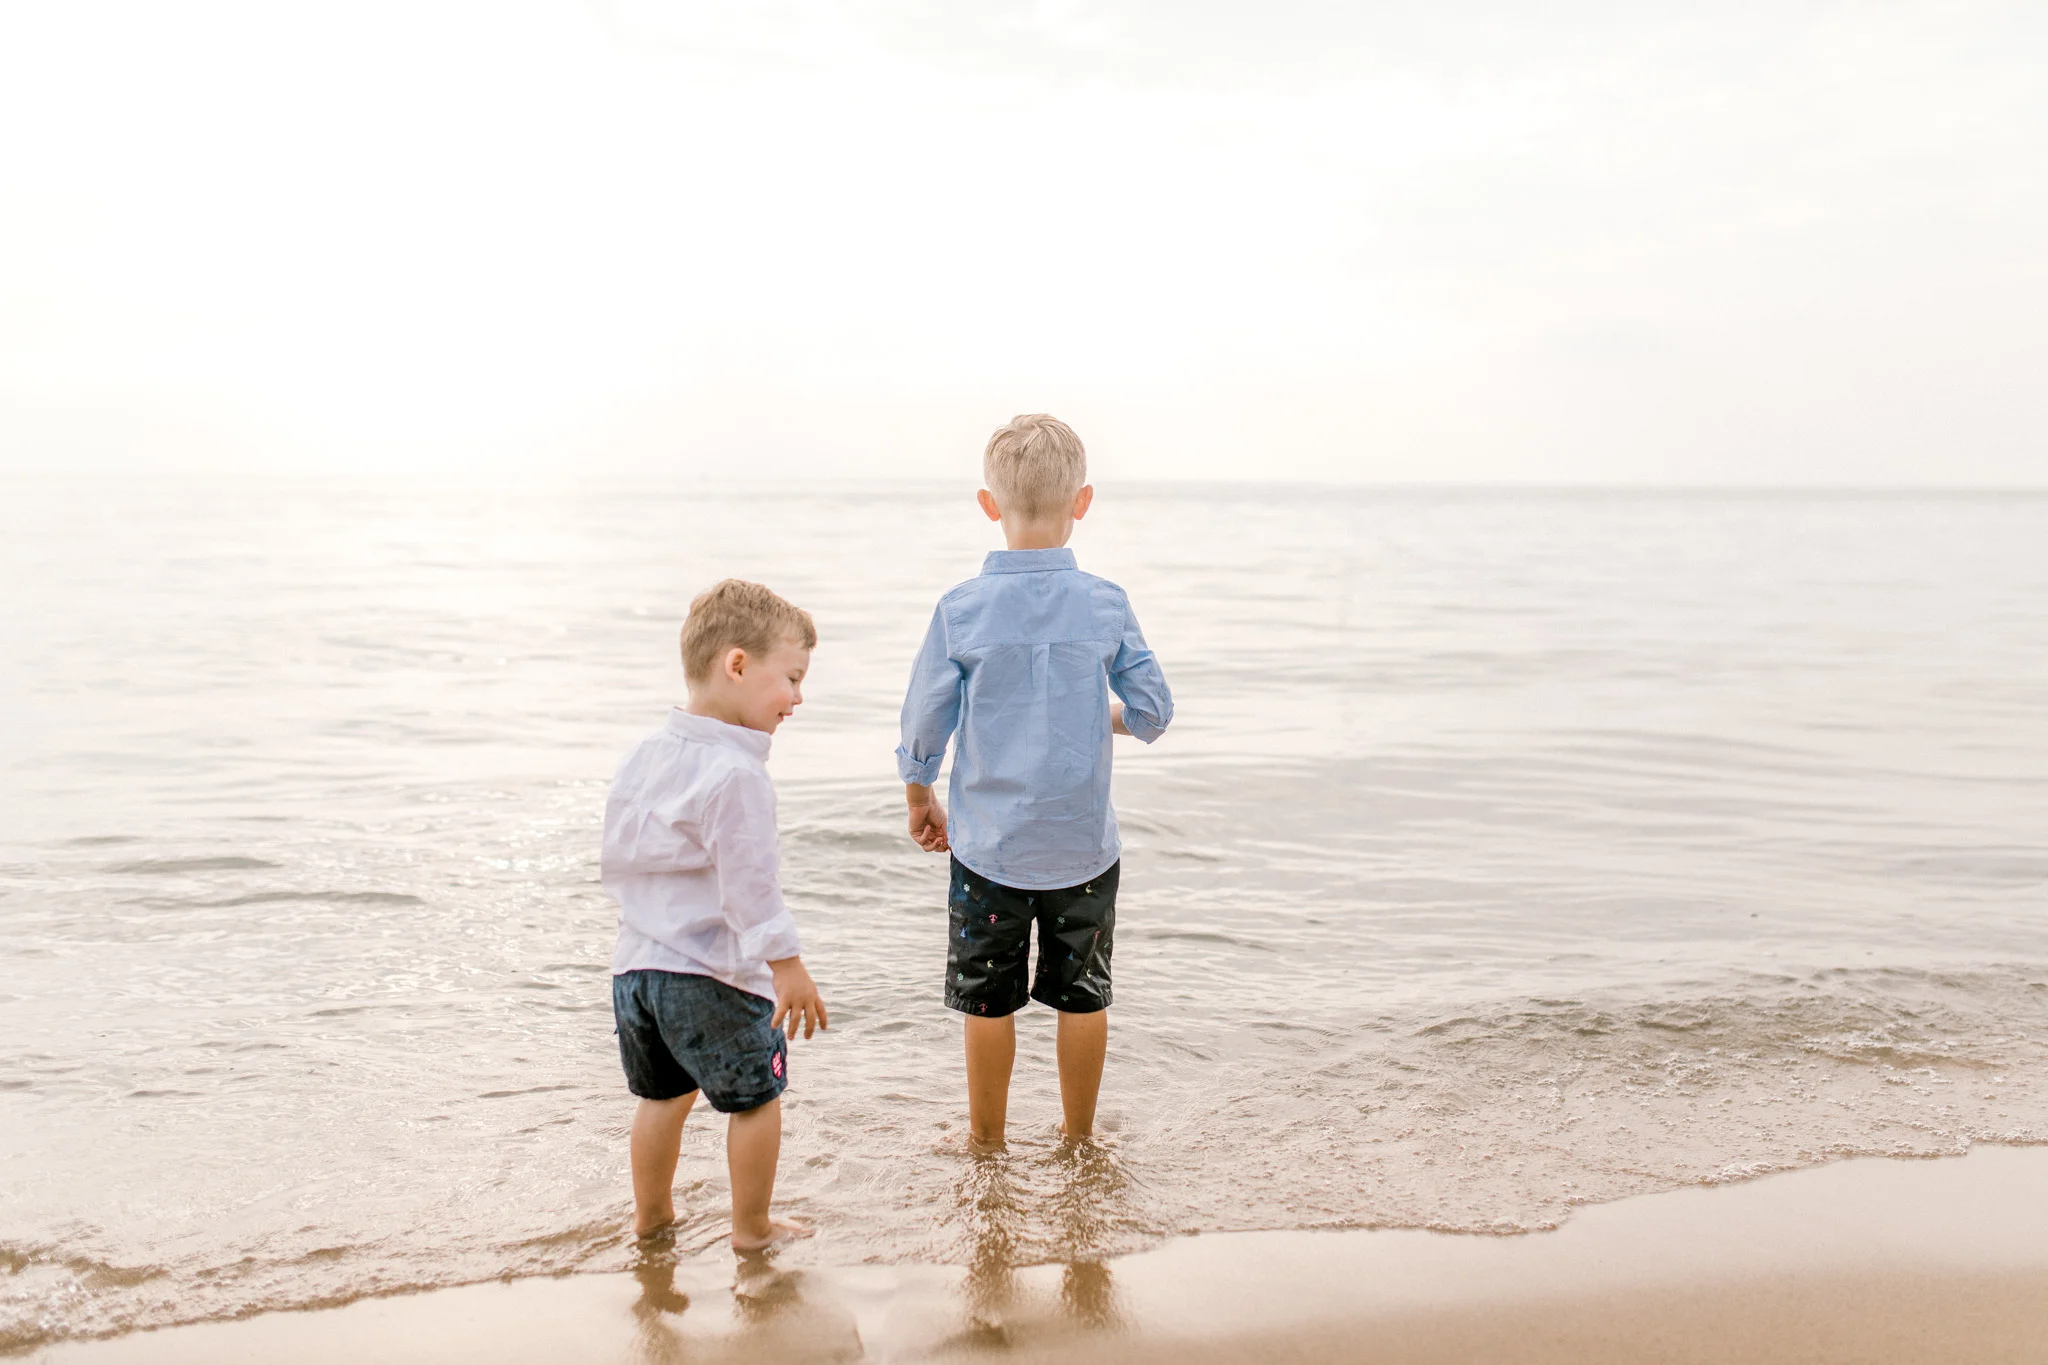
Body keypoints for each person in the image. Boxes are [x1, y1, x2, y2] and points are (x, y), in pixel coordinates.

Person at [896, 414, 1174, 1150]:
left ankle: (987, 1141)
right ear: (1082, 502)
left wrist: (919, 795)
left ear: (990, 505)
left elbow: (927, 720)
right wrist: (1103, 716)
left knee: (988, 1004)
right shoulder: (1106, 604)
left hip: (990, 847)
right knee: (1082, 996)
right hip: (1084, 848)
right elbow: (1152, 711)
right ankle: (1077, 1138)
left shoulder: (962, 609)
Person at [602, 578, 828, 1251]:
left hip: (636, 970)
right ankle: (752, 1229)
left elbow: (619, 856)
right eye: (790, 677)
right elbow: (750, 886)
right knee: (757, 1099)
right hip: (712, 974)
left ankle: (653, 1218)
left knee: (661, 1099)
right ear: (737, 664)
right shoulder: (736, 774)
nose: (798, 697)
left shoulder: (645, 754)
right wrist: (787, 966)